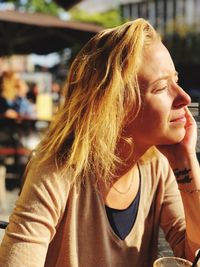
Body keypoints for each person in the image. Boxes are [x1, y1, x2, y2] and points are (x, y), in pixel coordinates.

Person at [0, 18, 200, 267]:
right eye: (161, 88)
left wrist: (186, 165)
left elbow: (193, 254)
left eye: (176, 80)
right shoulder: (56, 171)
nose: (184, 97)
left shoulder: (157, 167)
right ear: (114, 107)